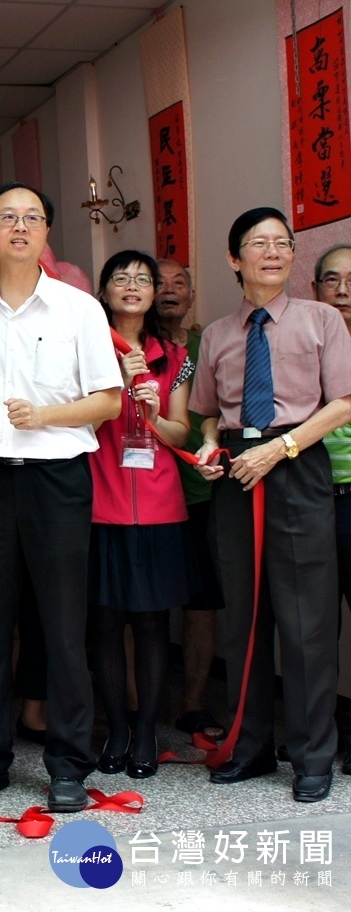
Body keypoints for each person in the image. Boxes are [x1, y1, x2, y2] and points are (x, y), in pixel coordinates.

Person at [0, 182, 122, 812]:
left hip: (57, 479)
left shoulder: (79, 310)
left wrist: (46, 416)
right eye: (7, 217)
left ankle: (68, 763)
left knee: (63, 624)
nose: (19, 227)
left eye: (32, 217)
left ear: (46, 232)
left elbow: (108, 399)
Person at [192, 208, 351, 803]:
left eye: (283, 243)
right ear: (235, 259)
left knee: (307, 621)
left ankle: (314, 757)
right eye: (260, 244)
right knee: (244, 617)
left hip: (298, 461)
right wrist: (211, 443)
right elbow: (209, 411)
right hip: (236, 470)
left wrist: (281, 449)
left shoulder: (319, 320)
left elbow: (344, 402)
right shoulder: (217, 333)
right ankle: (250, 746)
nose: (274, 252)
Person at [89, 251, 196, 780]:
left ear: (155, 292)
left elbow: (182, 436)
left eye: (143, 279)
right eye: (120, 278)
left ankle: (148, 730)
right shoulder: (85, 350)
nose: (132, 286)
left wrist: (153, 412)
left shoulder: (176, 357)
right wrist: (112, 377)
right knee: (105, 624)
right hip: (99, 503)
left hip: (158, 507)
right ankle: (115, 728)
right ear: (104, 290)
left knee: (152, 625)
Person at [154, 259, 227, 744]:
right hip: (148, 495)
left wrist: (209, 436)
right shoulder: (130, 347)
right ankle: (143, 706)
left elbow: (220, 409)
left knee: (202, 603)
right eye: (159, 282)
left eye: (180, 282)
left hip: (202, 494)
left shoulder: (207, 345)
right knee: (146, 606)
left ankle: (193, 705)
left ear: (192, 296)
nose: (169, 290)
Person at [314, 244, 351, 771]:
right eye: (333, 280)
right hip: (313, 496)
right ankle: (317, 737)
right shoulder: (308, 340)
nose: (344, 289)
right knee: (316, 626)